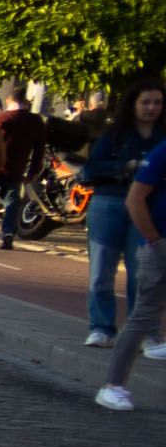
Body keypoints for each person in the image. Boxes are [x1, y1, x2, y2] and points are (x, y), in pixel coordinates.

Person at [80, 82, 160, 346]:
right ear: (133, 105)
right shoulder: (114, 135)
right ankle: (102, 328)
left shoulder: (162, 137)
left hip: (147, 209)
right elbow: (90, 170)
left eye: (157, 103)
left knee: (143, 272)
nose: (151, 108)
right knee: (102, 269)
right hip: (110, 202)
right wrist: (125, 166)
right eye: (145, 102)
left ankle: (143, 333)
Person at [0, 88, 47, 250]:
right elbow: (39, 149)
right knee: (12, 202)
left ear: (9, 101)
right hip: (17, 168)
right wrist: (33, 171)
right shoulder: (36, 121)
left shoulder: (2, 118)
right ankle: (8, 233)